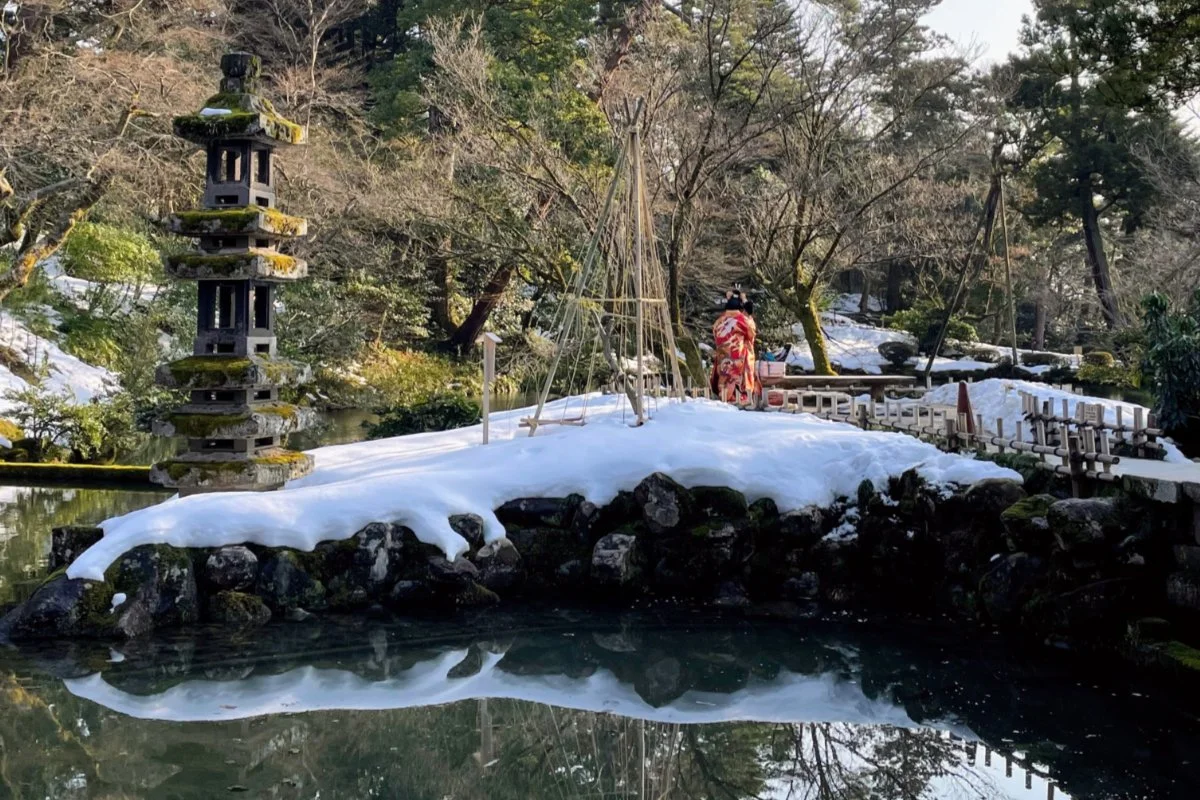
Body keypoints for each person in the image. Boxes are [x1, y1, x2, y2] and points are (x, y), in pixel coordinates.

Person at [710, 289, 758, 405]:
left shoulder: (718, 322)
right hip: (738, 356)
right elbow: (752, 333)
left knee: (724, 377)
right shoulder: (743, 320)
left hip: (723, 357)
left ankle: (724, 396)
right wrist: (747, 306)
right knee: (736, 379)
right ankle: (740, 399)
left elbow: (716, 338)